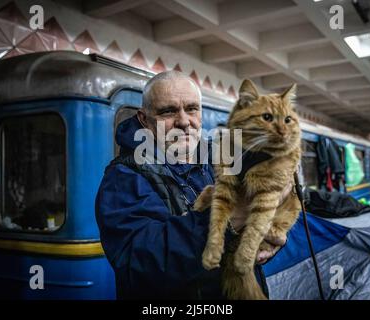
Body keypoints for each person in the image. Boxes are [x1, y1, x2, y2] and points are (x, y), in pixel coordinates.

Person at [95, 71, 286, 299]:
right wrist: (228, 217)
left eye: (192, 108)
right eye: (168, 111)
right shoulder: (123, 177)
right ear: (144, 119)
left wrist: (268, 237)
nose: (184, 122)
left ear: (201, 115)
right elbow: (140, 264)